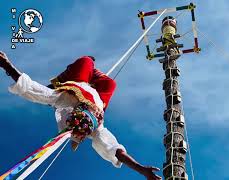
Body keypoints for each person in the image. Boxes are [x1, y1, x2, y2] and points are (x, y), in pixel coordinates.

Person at [0, 51, 161, 180]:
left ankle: (71, 74)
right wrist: (142, 169)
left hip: (77, 84)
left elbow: (33, 90)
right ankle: (90, 71)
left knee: (86, 61)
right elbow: (116, 150)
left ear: (76, 113)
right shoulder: (97, 127)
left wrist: (7, 65)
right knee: (111, 84)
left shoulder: (67, 100)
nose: (89, 113)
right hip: (98, 97)